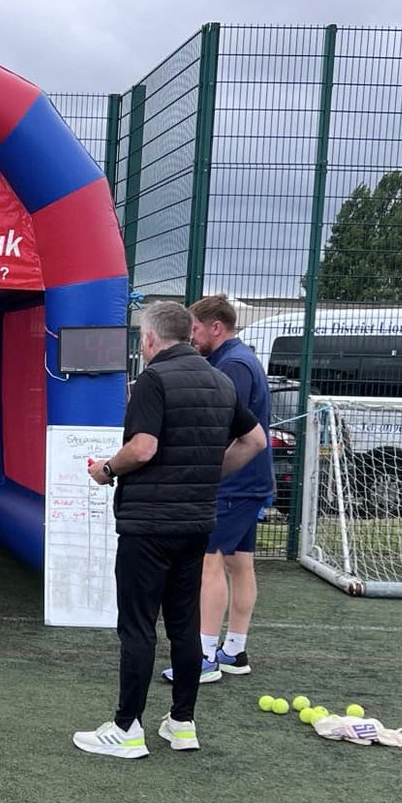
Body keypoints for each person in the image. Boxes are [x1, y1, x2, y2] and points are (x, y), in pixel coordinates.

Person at [72, 301, 266, 758]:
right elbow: (255, 440)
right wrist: (210, 473)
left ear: (150, 339)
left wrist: (106, 469)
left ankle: (126, 728)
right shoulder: (219, 379)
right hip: (196, 521)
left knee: (137, 626)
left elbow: (142, 448)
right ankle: (182, 723)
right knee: (184, 625)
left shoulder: (153, 380)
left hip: (149, 523)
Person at [159, 294, 273, 685]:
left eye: (194, 329)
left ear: (216, 328)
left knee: (208, 561)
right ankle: (234, 650)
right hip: (248, 481)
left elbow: (224, 424)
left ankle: (204, 655)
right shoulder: (236, 360)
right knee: (239, 563)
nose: (191, 338)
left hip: (234, 481)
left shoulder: (234, 365)